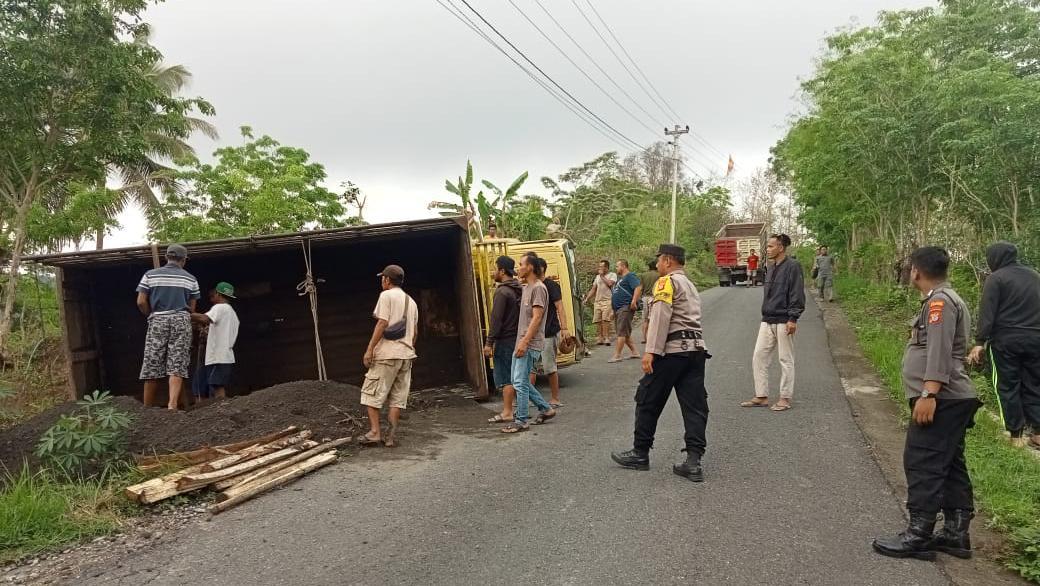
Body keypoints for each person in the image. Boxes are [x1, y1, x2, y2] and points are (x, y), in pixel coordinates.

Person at [873, 246, 981, 561]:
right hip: (952, 398)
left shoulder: (939, 303)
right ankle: (955, 533)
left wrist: (928, 393)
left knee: (923, 461)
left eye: (909, 268)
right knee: (950, 464)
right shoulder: (946, 298)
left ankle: (917, 535)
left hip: (942, 399)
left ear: (916, 271)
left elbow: (939, 350)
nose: (909, 273)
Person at [611, 244, 710, 482]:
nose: (656, 265)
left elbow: (660, 317)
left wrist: (651, 352)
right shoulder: (690, 284)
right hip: (695, 351)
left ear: (667, 260)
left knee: (647, 399)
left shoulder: (666, 282)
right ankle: (693, 462)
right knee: (695, 406)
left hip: (672, 352)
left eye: (659, 261)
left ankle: (640, 452)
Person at [967, 242, 1040, 449]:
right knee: (1034, 383)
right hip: (1035, 339)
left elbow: (987, 313)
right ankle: (1038, 433)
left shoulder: (996, 278)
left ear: (995, 258)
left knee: (1007, 385)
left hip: (1006, 341)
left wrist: (979, 342)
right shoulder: (1035, 276)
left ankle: (1015, 434)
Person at [741, 234, 805, 412]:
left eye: (770, 246)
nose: (767, 249)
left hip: (785, 319)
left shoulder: (793, 266)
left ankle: (785, 397)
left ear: (781, 248)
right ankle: (761, 396)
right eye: (767, 246)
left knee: (785, 359)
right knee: (759, 356)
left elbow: (797, 292)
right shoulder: (770, 267)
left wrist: (793, 318)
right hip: (767, 318)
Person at [360, 265, 419, 448]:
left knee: (371, 394)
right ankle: (391, 437)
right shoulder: (412, 301)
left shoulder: (386, 296)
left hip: (387, 355)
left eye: (382, 278)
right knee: (397, 398)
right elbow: (415, 332)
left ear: (387, 280)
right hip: (406, 355)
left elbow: (382, 323)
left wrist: (370, 349)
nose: (381, 281)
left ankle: (375, 433)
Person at [136, 244, 201, 410]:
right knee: (177, 363)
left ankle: (147, 409)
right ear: (184, 260)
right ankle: (172, 405)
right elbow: (192, 309)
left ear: (166, 257)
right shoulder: (191, 279)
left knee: (152, 363)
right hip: (181, 320)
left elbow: (141, 301)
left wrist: (150, 314)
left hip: (158, 320)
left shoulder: (149, 275)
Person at [501, 252, 557, 433]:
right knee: (520, 381)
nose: (518, 268)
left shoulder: (538, 288)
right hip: (521, 341)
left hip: (529, 343)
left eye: (521, 264)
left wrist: (525, 342)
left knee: (519, 382)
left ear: (530, 267)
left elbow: (537, 318)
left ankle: (522, 419)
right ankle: (546, 409)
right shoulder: (526, 288)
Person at [485, 256, 523, 424]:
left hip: (505, 340)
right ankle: (520, 409)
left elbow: (496, 319)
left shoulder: (502, 292)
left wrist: (489, 343)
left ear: (502, 271)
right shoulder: (518, 289)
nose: (493, 272)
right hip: (517, 338)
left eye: (495, 269)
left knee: (505, 377)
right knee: (517, 375)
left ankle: (507, 411)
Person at [189, 282, 240, 400]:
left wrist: (187, 314)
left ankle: (221, 410)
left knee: (217, 388)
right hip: (225, 355)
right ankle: (220, 409)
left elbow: (205, 318)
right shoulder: (232, 312)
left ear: (218, 294)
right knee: (217, 385)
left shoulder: (220, 307)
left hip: (218, 356)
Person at [530, 257, 569, 409]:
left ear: (540, 269)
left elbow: (560, 307)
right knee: (531, 368)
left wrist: (564, 328)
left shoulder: (551, 286)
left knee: (549, 367)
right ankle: (529, 398)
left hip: (548, 333)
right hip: (533, 334)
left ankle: (555, 398)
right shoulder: (531, 286)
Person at [609, 260, 643, 363]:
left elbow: (638, 287)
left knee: (621, 332)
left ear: (623, 266)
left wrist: (634, 301)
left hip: (625, 307)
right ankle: (635, 352)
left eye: (617, 266)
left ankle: (617, 355)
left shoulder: (630, 276)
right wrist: (612, 310)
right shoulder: (621, 279)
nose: (616, 268)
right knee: (624, 332)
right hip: (618, 308)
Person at [583, 260, 616, 346]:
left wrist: (601, 276)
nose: (600, 268)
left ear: (607, 267)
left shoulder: (612, 275)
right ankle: (600, 337)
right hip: (598, 301)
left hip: (608, 300)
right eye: (599, 266)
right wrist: (587, 298)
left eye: (602, 267)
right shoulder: (597, 277)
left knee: (606, 319)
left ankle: (606, 337)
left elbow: (610, 284)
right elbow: (594, 289)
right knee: (597, 320)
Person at [638, 260, 659, 343]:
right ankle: (652, 338)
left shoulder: (643, 275)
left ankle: (644, 338)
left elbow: (640, 287)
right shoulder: (659, 275)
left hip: (645, 298)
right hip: (654, 298)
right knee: (653, 319)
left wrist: (638, 298)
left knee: (645, 319)